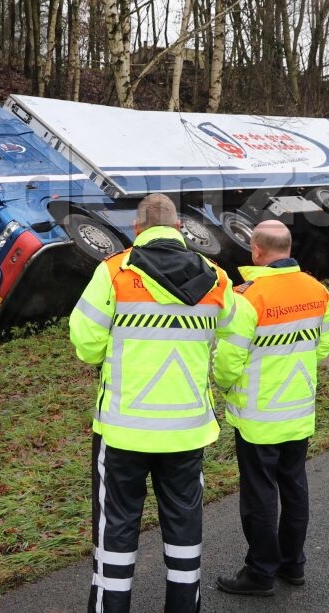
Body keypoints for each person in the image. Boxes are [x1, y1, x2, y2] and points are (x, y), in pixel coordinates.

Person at [69, 193, 237, 613]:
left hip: (124, 427)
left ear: (137, 230)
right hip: (186, 428)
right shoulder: (218, 279)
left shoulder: (114, 273)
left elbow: (86, 344)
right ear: (179, 228)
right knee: (184, 525)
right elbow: (229, 339)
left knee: (117, 529)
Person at [211, 219, 329, 597]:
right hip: (298, 409)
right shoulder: (318, 290)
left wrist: (227, 387)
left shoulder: (247, 296)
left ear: (256, 250)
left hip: (258, 416)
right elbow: (324, 347)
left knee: (260, 495)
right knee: (294, 487)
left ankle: (260, 573)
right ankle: (293, 565)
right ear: (288, 246)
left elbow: (227, 361)